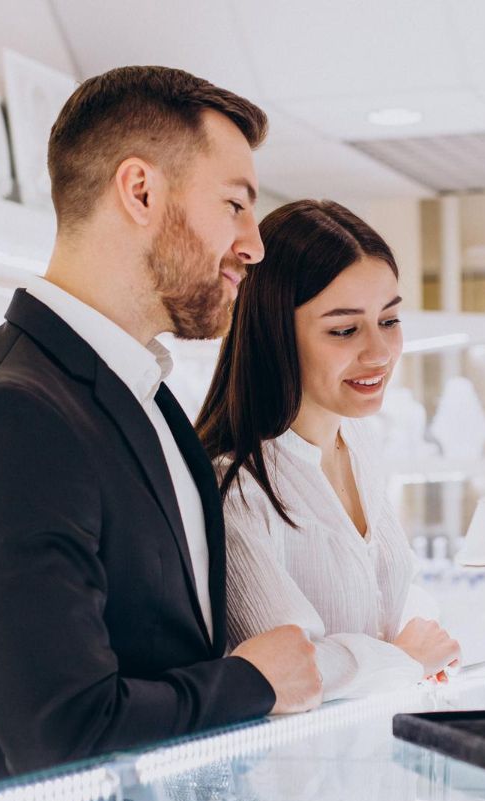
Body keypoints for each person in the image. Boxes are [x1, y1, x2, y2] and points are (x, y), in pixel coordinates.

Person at [0, 67, 321, 796]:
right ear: (139, 192)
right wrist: (251, 683)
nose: (253, 246)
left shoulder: (147, 399)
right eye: (234, 206)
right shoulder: (8, 416)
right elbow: (66, 733)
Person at [196, 200, 460, 698]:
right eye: (344, 330)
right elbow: (288, 668)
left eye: (389, 321)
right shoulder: (236, 485)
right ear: (274, 335)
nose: (379, 353)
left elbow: (385, 596)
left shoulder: (359, 443)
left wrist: (419, 639)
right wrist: (404, 661)